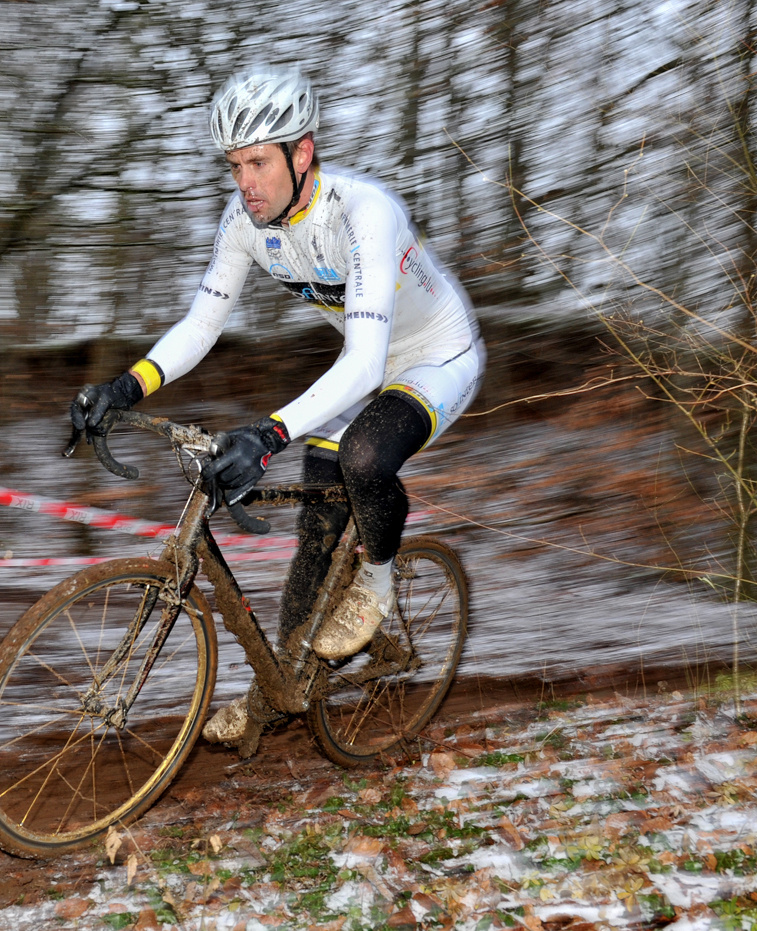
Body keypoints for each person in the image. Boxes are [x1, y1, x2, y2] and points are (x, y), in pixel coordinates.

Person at [70, 67, 485, 745]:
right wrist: (126, 385)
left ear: (302, 153)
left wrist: (270, 432)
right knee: (316, 535)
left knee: (363, 456)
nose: (245, 181)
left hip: (435, 356)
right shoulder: (245, 223)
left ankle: (378, 584)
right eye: (234, 165)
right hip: (364, 368)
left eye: (258, 161)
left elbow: (366, 361)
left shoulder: (364, 213)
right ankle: (280, 688)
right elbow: (202, 325)